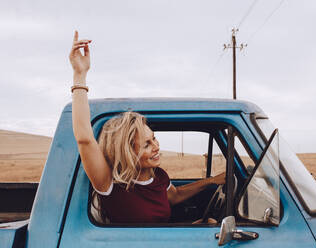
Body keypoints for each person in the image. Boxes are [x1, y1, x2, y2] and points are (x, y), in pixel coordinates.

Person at [69, 31, 225, 223]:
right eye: (146, 145)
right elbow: (84, 139)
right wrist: (79, 75)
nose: (156, 146)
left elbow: (174, 196)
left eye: (154, 138)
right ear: (127, 153)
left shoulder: (158, 176)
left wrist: (212, 182)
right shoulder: (110, 184)